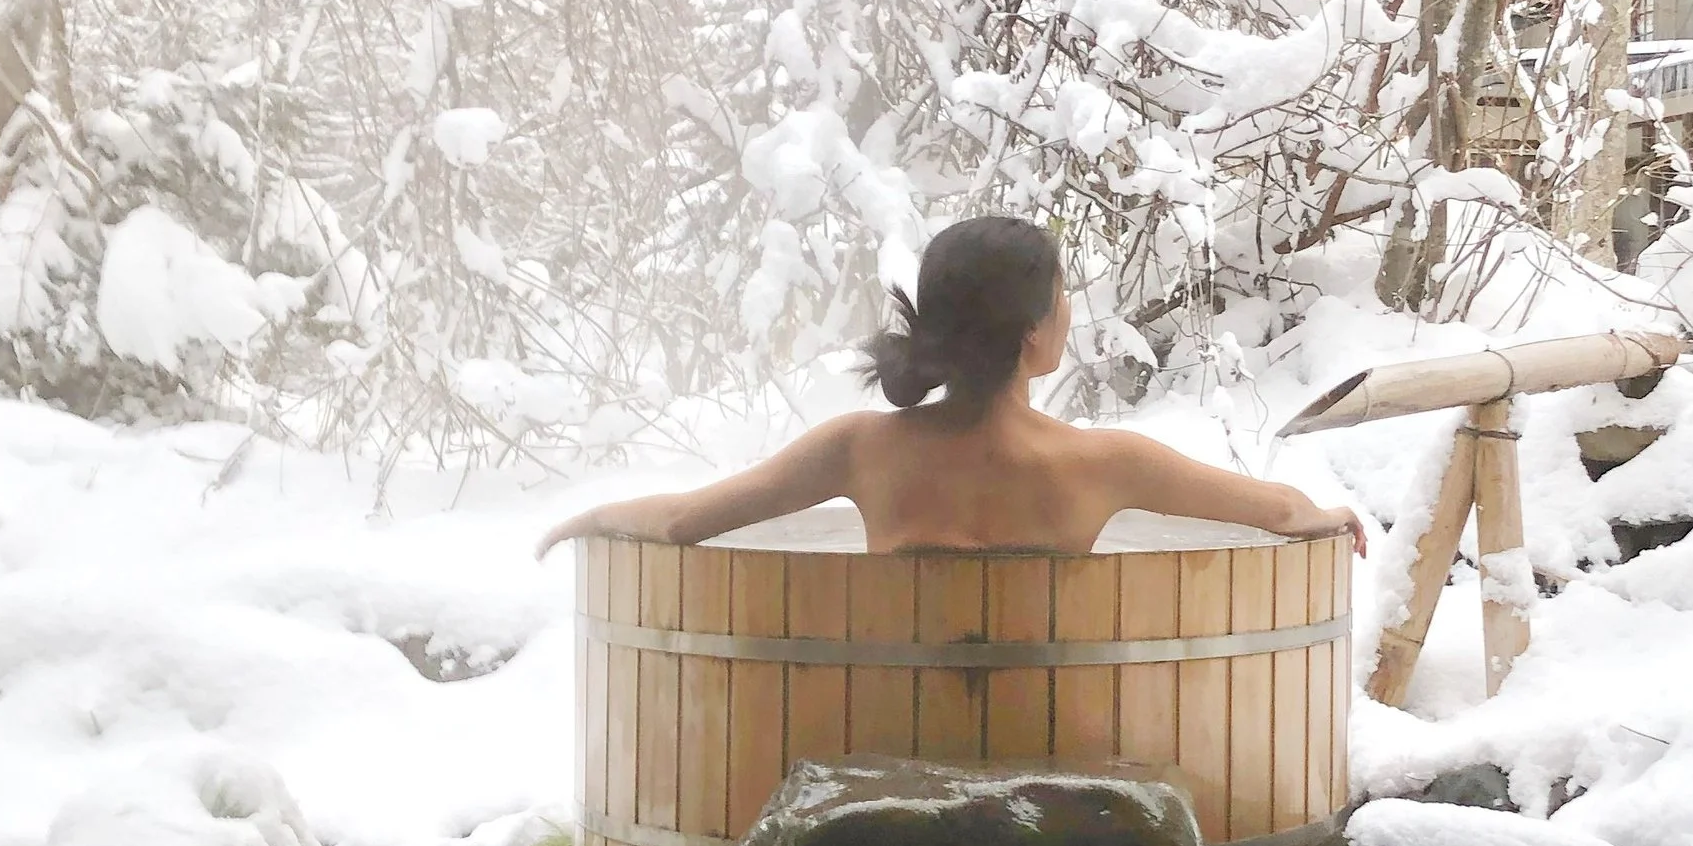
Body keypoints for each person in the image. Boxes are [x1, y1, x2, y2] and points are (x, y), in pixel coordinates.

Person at [537, 215, 1366, 559]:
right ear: (1032, 332)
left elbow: (683, 519)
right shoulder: (1109, 461)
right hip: (1048, 752)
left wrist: (590, 519)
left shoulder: (859, 449)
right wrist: (1327, 516)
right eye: (1063, 297)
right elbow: (1279, 509)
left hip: (895, 743)